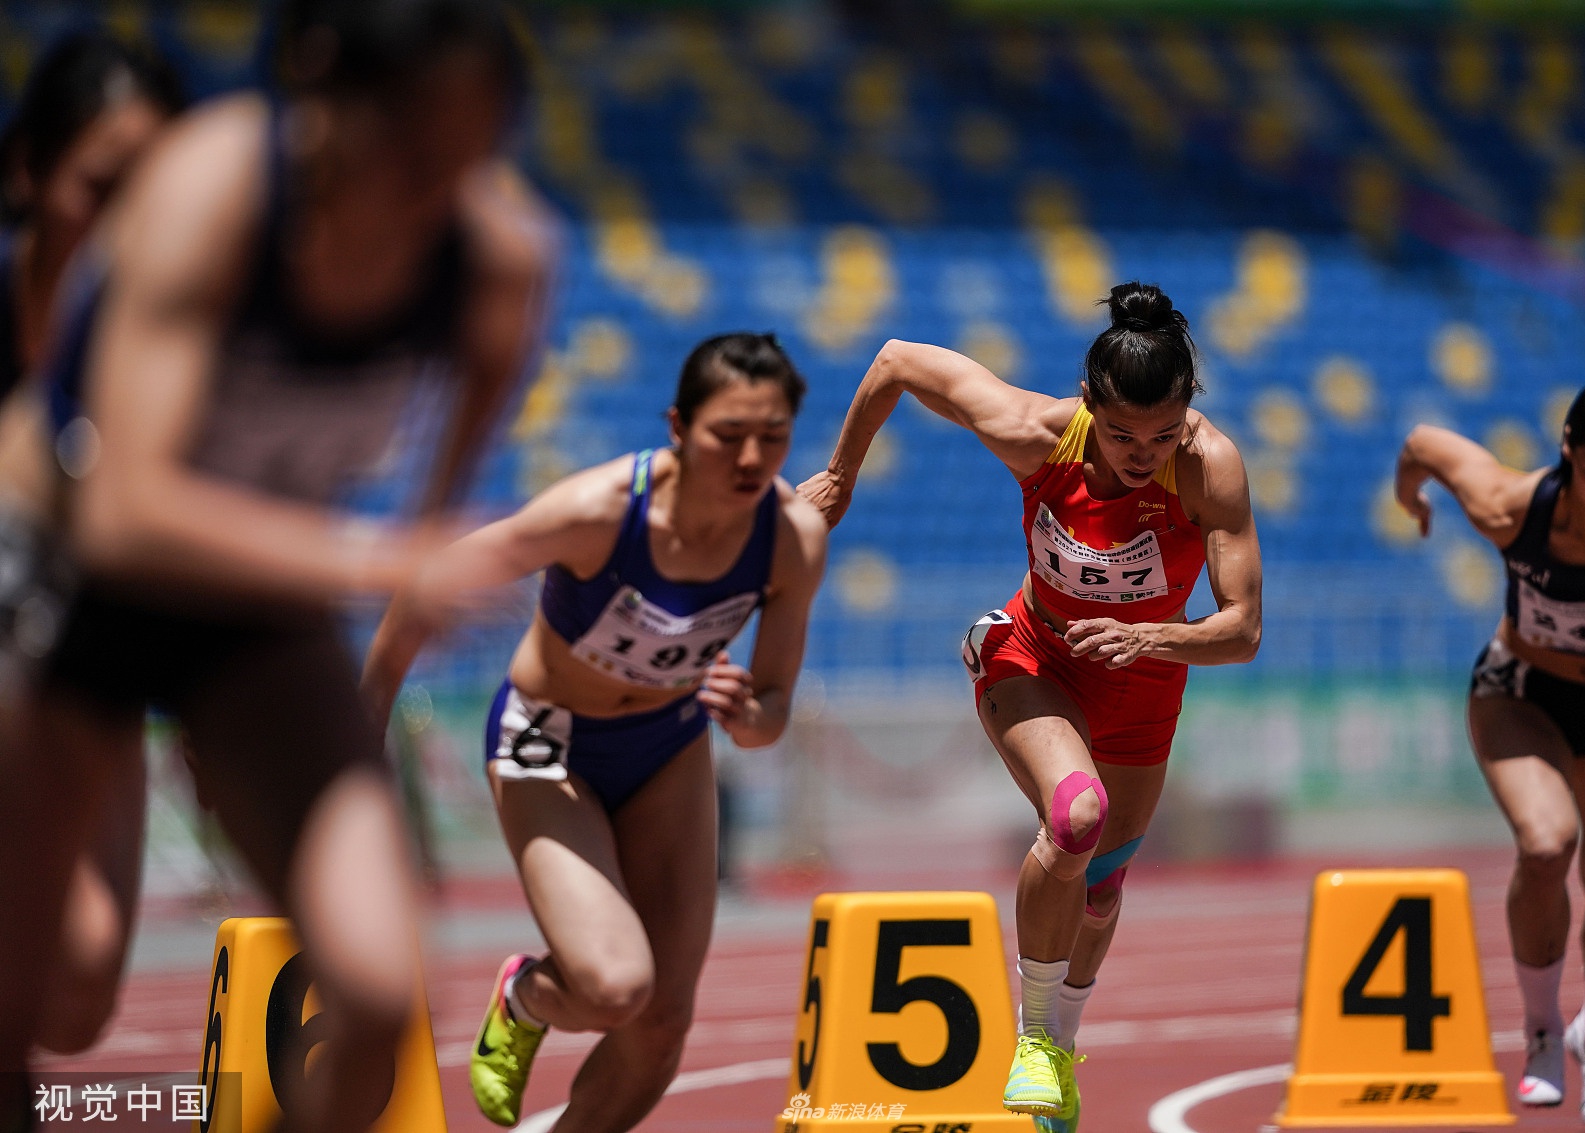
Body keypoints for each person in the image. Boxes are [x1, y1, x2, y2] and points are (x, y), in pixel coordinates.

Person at [0, 2, 556, 1131]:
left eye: (465, 161)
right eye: (405, 153)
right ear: (321, 97)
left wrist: (404, 563)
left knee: (376, 986)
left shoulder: (499, 264)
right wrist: (377, 556)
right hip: (60, 575)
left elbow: (427, 529)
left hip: (250, 600)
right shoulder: (209, 191)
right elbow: (123, 513)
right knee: (40, 988)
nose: (425, 198)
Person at [800, 281, 1262, 1133]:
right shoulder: (1036, 433)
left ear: (1188, 413)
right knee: (1075, 816)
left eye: (1163, 434)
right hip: (1034, 655)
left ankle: (1062, 1041)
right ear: (1090, 405)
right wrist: (839, 475)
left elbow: (1241, 630)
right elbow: (898, 360)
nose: (1142, 452)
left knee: (1103, 888)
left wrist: (1152, 639)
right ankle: (1034, 1040)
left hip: (1144, 683)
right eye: (1122, 434)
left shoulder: (1210, 466)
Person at [362, 332, 827, 1133]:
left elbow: (771, 713)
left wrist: (749, 715)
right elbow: (426, 582)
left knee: (660, 1026)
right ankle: (526, 995)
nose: (752, 459)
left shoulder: (790, 541)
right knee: (614, 987)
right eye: (728, 435)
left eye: (774, 437)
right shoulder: (598, 512)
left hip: (668, 745)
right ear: (678, 426)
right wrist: (358, 727)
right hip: (548, 742)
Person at [1395, 369, 1585, 1133]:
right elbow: (1422, 441)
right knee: (1546, 843)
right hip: (1519, 691)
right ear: (1567, 451)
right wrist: (1411, 496)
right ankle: (1538, 1031)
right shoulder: (1509, 504)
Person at [0, 30, 183, 1067]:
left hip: (81, 664)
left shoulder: (172, 348)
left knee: (79, 985)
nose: (127, 229)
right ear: (27, 170)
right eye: (101, 186)